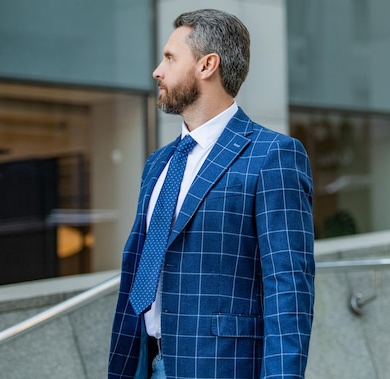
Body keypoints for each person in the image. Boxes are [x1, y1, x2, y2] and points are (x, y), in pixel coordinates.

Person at [108, 8, 315, 378]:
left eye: (170, 58)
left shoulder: (273, 156)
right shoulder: (158, 164)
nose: (158, 70)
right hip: (148, 362)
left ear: (207, 66)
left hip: (223, 366)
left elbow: (288, 288)